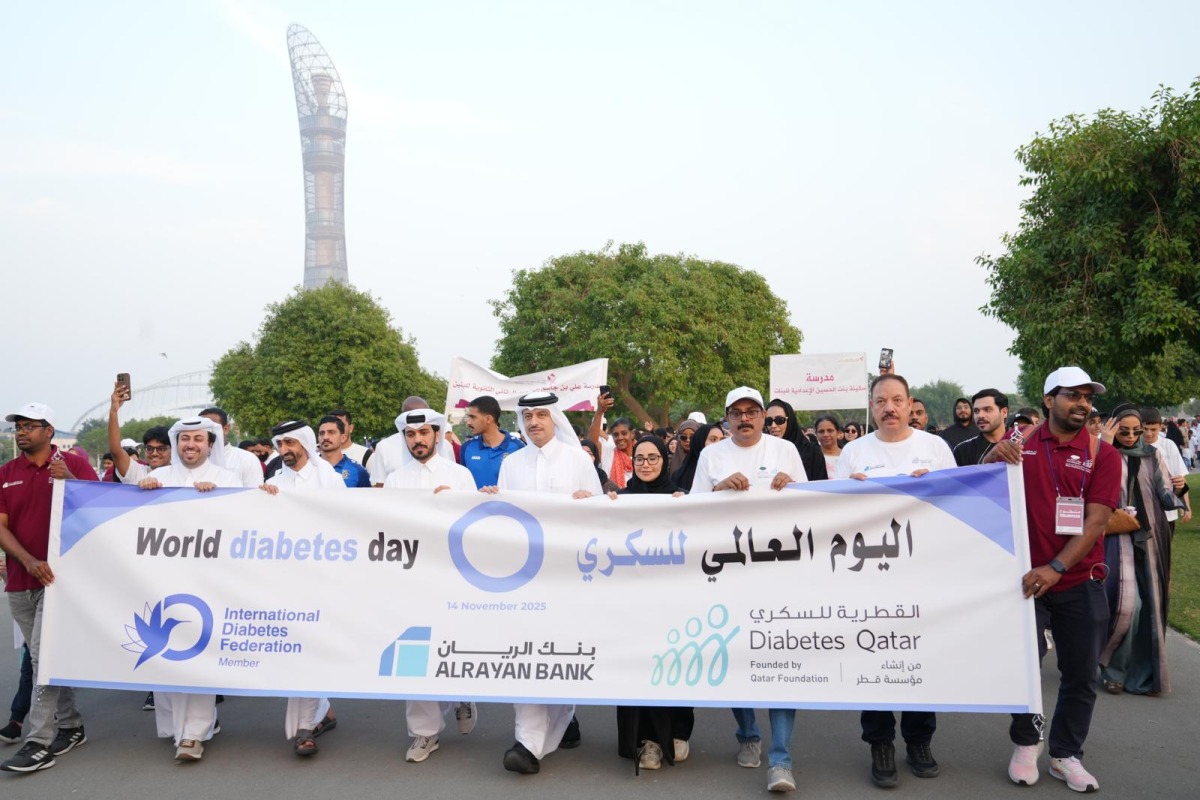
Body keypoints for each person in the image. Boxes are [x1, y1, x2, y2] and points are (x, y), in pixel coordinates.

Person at [985, 367, 1121, 793]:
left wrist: (1057, 568)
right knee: (1024, 668)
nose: (1082, 403)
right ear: (1048, 400)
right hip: (1024, 583)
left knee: (1081, 674)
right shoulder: (1020, 443)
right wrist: (992, 457)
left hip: (1079, 579)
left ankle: (1065, 755)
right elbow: (983, 487)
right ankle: (1027, 744)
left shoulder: (1104, 454)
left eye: (1087, 397)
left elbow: (1096, 521)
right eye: (1072, 395)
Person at [835, 375, 954, 787]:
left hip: (922, 576)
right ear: (871, 407)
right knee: (875, 659)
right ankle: (880, 743)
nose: (889, 407)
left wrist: (934, 491)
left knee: (919, 658)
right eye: (881, 400)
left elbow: (957, 506)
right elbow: (833, 516)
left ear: (909, 405)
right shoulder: (853, 452)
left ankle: (919, 740)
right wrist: (850, 493)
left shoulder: (935, 449)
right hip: (870, 579)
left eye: (897, 400)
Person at [690, 387, 807, 794]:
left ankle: (781, 759)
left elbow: (811, 508)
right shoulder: (711, 456)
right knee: (734, 656)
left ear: (763, 415)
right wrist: (718, 489)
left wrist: (790, 486)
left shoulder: (785, 450)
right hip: (728, 570)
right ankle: (747, 734)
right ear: (726, 418)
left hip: (778, 570)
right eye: (736, 413)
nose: (745, 419)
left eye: (752, 412)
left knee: (780, 662)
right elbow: (690, 510)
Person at [485, 392, 601, 775]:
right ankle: (528, 742)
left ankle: (563, 718)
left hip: (568, 577)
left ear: (555, 420)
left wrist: (589, 502)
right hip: (523, 580)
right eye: (528, 416)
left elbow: (601, 521)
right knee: (524, 651)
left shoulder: (578, 461)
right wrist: (488, 500)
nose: (534, 422)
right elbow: (502, 517)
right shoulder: (511, 463)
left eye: (541, 415)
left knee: (560, 652)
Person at [0, 403, 97, 774]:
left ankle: (38, 742)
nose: (21, 432)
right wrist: (26, 561)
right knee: (45, 657)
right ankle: (71, 725)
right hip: (22, 579)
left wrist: (71, 480)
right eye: (18, 427)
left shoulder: (72, 464)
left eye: (29, 426)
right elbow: (2, 525)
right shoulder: (7, 472)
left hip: (61, 580)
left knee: (43, 658)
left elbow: (100, 512)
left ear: (49, 430)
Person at [136, 417, 241, 762]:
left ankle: (194, 733)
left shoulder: (226, 479)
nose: (190, 445)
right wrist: (144, 493)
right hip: (162, 579)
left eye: (198, 438)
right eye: (184, 439)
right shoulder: (159, 478)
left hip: (206, 580)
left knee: (196, 649)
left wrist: (219, 500)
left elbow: (241, 523)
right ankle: (174, 728)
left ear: (210, 444)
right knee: (164, 653)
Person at [377, 409, 479, 761]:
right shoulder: (395, 481)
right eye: (410, 434)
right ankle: (424, 733)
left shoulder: (460, 476)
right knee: (414, 652)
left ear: (437, 434)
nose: (417, 440)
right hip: (412, 578)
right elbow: (388, 529)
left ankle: (462, 695)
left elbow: (475, 527)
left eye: (423, 432)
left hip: (454, 578)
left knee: (453, 645)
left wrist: (453, 502)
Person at [607, 436, 692, 772]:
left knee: (673, 665)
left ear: (664, 460)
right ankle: (647, 742)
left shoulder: (680, 498)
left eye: (652, 458)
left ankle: (678, 731)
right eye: (639, 458)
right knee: (636, 670)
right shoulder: (620, 499)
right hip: (631, 605)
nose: (645, 464)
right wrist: (591, 503)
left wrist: (685, 508)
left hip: (671, 603)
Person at [260, 421, 344, 756]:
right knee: (296, 649)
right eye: (280, 443)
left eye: (290, 443)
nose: (285, 449)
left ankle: (305, 728)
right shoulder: (273, 482)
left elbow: (343, 524)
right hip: (286, 579)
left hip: (321, 578)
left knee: (310, 648)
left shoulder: (328, 479)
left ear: (306, 444)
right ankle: (320, 712)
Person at [1097, 410, 1183, 696]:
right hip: (1115, 538)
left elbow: (1164, 493)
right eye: (1125, 431)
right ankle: (1112, 669)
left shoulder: (1152, 454)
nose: (1132, 436)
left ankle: (1142, 676)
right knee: (1126, 607)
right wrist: (1106, 446)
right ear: (1114, 428)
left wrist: (1180, 494)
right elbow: (1091, 487)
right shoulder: (1103, 453)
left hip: (1151, 537)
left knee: (1149, 608)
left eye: (1137, 430)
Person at [459, 395, 524, 489]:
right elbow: (462, 484)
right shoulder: (466, 448)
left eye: (473, 417)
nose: (468, 422)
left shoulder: (518, 447)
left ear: (488, 419)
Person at [199, 407, 266, 488]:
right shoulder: (192, 460)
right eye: (202, 429)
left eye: (211, 428)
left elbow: (254, 494)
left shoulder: (246, 459)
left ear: (226, 429)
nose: (206, 433)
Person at [763, 398, 828, 482]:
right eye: (768, 421)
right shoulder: (762, 449)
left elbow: (821, 488)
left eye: (780, 420)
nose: (773, 425)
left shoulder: (812, 452)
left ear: (790, 421)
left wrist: (792, 485)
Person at [952, 389, 1009, 466]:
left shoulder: (1022, 444)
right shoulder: (962, 451)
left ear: (1004, 412)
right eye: (976, 411)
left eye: (987, 410)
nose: (980, 415)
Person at [316, 415, 371, 488]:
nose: (325, 437)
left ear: (343, 438)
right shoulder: (308, 468)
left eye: (331, 432)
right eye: (322, 433)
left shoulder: (358, 471)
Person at [672, 423, 725, 493]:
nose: (719, 444)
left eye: (722, 440)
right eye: (713, 439)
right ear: (700, 441)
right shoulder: (680, 476)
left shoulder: (730, 469)